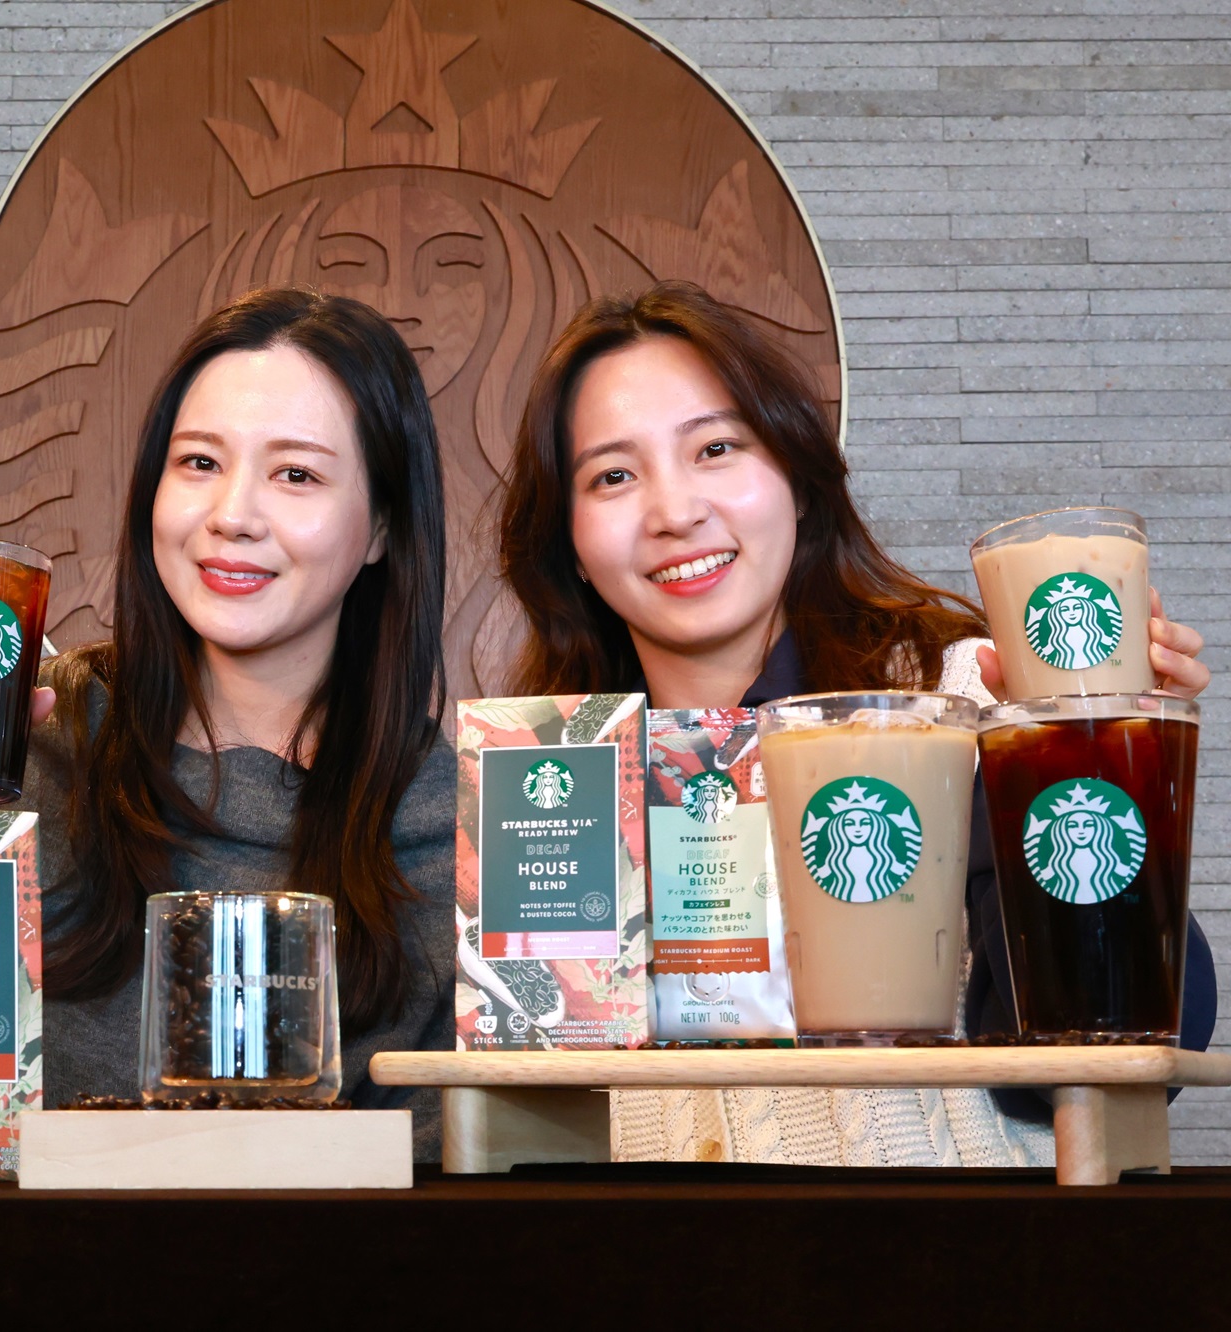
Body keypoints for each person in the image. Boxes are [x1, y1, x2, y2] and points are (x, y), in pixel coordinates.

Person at [499, 280, 1215, 1167]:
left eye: (716, 448)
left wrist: (1092, 744)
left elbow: (1127, 1043)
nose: (674, 513)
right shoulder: (552, 784)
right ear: (568, 541)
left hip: (964, 1243)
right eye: (613, 475)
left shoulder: (960, 695)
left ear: (798, 479)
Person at [0, 287, 456, 1154]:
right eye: (200, 463)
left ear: (380, 529)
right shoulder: (30, 739)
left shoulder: (457, 820)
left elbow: (455, 1178)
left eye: (296, 474)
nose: (232, 517)